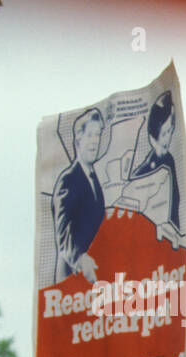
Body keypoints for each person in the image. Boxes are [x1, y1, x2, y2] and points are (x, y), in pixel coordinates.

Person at [52, 107, 107, 283]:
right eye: (90, 135)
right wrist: (81, 259)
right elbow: (63, 233)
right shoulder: (68, 180)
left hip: (91, 278)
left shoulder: (94, 179)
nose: (95, 141)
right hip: (71, 277)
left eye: (98, 135)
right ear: (78, 139)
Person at [128, 90, 182, 245]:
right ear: (153, 137)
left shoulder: (170, 160)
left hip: (170, 240)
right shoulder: (142, 173)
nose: (168, 139)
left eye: (170, 131)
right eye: (164, 133)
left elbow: (175, 204)